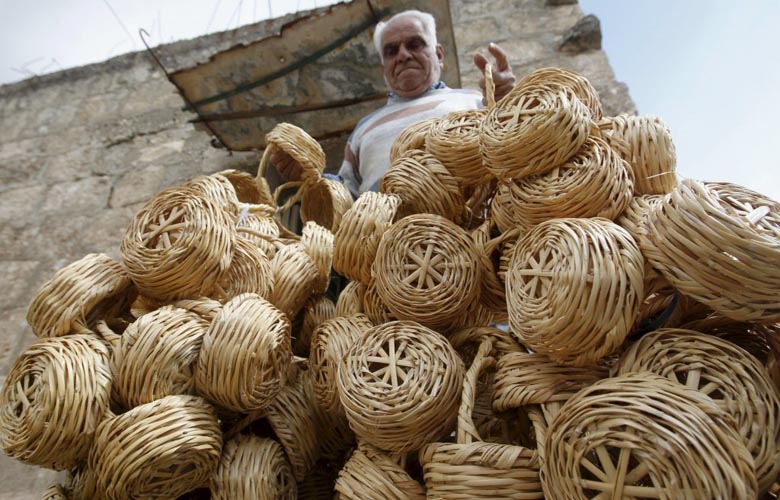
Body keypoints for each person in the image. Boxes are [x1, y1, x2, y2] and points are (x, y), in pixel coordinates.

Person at [272, 9, 516, 198]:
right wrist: (309, 177)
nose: (403, 55)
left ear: (439, 54)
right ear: (384, 67)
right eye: (391, 51)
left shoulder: (476, 100)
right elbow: (347, 196)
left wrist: (507, 104)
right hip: (388, 254)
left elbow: (513, 156)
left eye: (414, 44)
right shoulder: (363, 129)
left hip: (476, 241)